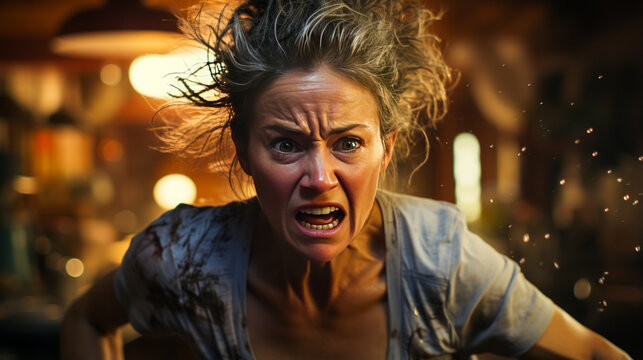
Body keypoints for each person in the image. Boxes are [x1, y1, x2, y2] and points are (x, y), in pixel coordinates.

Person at [61, 0, 632, 359]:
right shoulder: (184, 258)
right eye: (285, 144)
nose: (318, 177)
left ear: (388, 150)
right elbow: (86, 319)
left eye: (348, 144)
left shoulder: (440, 262)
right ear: (243, 151)